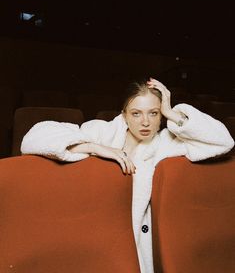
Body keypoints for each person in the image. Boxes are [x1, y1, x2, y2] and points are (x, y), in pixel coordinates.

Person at [21, 77, 234, 273]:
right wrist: (95, 147)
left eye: (154, 113)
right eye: (136, 113)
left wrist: (172, 113)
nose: (145, 122)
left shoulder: (168, 142)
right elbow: (33, 138)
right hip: (92, 237)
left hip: (139, 244)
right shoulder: (104, 133)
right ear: (124, 115)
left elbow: (223, 141)